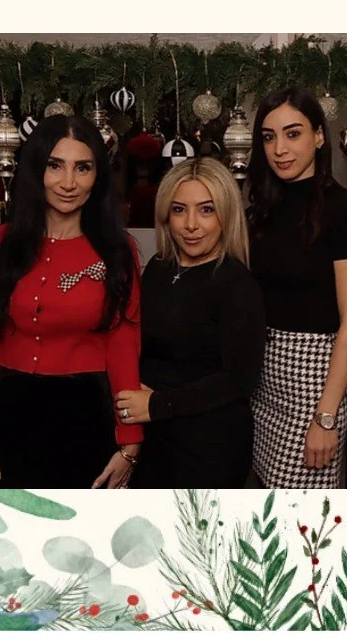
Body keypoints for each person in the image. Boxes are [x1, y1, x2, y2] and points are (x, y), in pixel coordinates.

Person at [0, 114, 141, 489]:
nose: (68, 183)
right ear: (36, 171)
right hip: (12, 411)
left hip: (86, 415)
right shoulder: (3, 243)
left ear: (98, 176)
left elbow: (124, 346)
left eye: (83, 168)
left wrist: (130, 443)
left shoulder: (117, 251)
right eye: (55, 166)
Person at [245, 88, 347, 488]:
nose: (280, 148)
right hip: (261, 376)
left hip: (312, 380)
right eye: (269, 137)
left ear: (319, 136)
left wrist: (327, 411)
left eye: (293, 134)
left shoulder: (344, 209)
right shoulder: (260, 209)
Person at [113, 158, 264, 490]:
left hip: (208, 445)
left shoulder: (237, 283)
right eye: (180, 210)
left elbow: (241, 378)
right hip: (152, 438)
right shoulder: (158, 267)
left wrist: (156, 405)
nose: (191, 224)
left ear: (226, 215)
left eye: (206, 210)